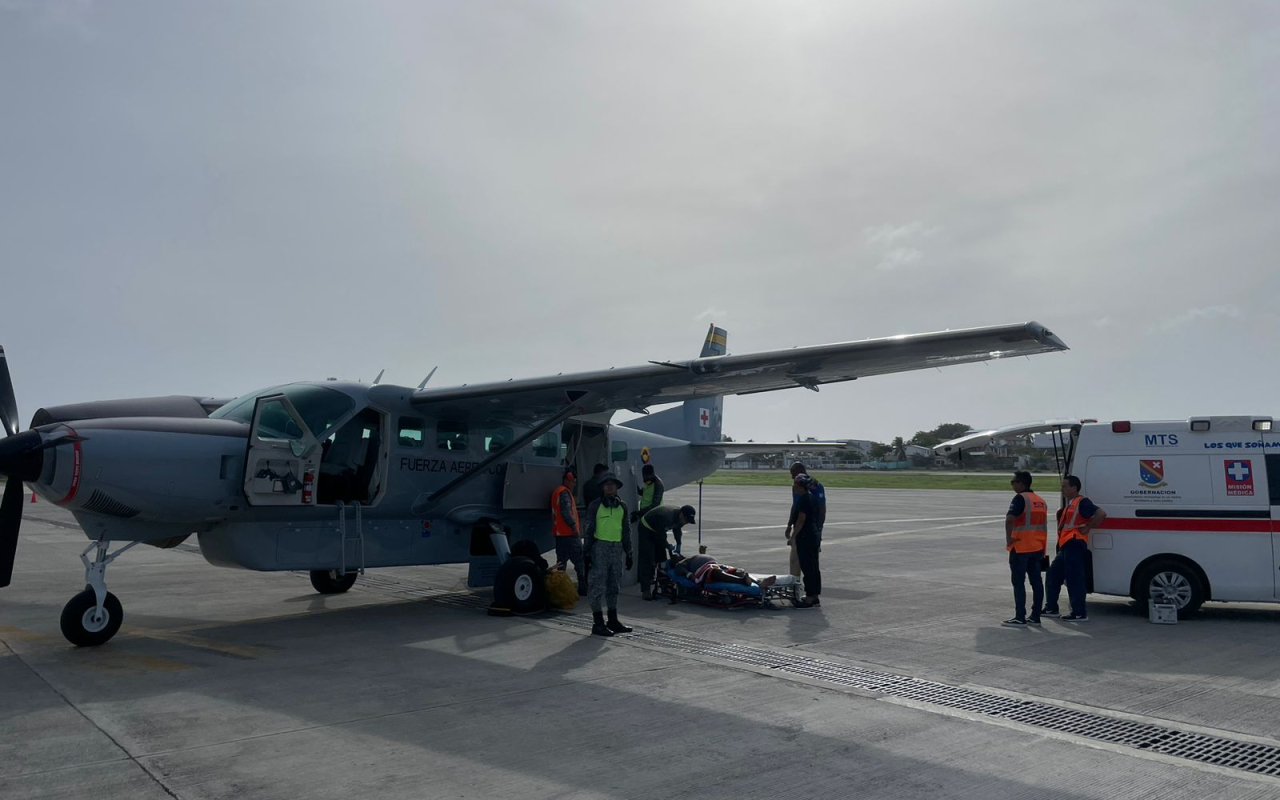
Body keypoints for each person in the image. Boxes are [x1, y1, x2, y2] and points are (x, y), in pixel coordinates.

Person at [1043, 475, 1106, 621]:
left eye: (1065, 486)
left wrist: (1087, 528)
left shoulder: (1082, 502)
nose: (1062, 489)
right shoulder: (1071, 503)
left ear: (1074, 488)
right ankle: (1051, 608)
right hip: (1066, 545)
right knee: (1052, 574)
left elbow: (1101, 513)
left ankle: (1079, 613)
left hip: (1074, 544)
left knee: (1074, 578)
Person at [583, 472, 634, 637]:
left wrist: (629, 552)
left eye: (613, 484)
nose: (610, 486)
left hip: (616, 549)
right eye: (607, 484)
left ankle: (613, 620)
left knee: (614, 585)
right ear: (602, 488)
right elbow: (588, 530)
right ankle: (598, 623)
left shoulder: (622, 507)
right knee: (597, 586)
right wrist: (587, 553)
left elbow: (626, 531)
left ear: (617, 487)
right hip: (600, 548)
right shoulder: (595, 506)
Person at [1003, 471, 1047, 627]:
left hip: (1021, 546)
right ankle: (1035, 615)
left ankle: (1019, 616)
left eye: (1013, 482)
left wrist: (1009, 539)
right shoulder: (1040, 501)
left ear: (1021, 484)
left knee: (1018, 582)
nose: (1012, 485)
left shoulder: (1020, 498)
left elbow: (1010, 519)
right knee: (1036, 583)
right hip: (1037, 547)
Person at [636, 504, 696, 600]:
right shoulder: (666, 517)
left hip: (658, 530)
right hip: (646, 528)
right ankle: (646, 590)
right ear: (682, 515)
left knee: (662, 559)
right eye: (686, 520)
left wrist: (679, 543)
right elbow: (661, 536)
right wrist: (668, 546)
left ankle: (664, 586)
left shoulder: (680, 518)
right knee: (648, 559)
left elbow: (677, 530)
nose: (685, 523)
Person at [550, 469, 587, 596]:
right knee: (579, 561)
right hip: (569, 535)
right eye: (572, 482)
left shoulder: (557, 492)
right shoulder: (564, 493)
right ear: (566, 480)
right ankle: (582, 586)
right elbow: (566, 512)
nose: (574, 484)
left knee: (561, 563)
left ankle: (559, 588)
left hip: (560, 535)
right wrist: (573, 528)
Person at [785, 463, 826, 577]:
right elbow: (795, 506)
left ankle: (810, 588)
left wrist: (819, 529)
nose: (792, 477)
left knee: (810, 560)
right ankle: (795, 583)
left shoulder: (817, 487)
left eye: (793, 474)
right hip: (799, 527)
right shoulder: (796, 486)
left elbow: (822, 510)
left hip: (809, 528)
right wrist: (789, 525)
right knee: (795, 559)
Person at [788, 478, 822, 606]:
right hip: (814, 536)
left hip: (805, 537)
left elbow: (801, 519)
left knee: (807, 567)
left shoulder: (803, 499)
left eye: (795, 484)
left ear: (800, 486)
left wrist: (793, 536)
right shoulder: (812, 497)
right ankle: (814, 596)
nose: (793, 486)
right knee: (814, 567)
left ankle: (808, 599)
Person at [668, 551, 777, 591]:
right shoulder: (681, 563)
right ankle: (742, 581)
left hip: (714, 564)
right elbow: (679, 569)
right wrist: (689, 575)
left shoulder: (690, 558)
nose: (680, 555)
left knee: (738, 570)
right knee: (716, 573)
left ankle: (758, 581)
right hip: (703, 570)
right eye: (677, 556)